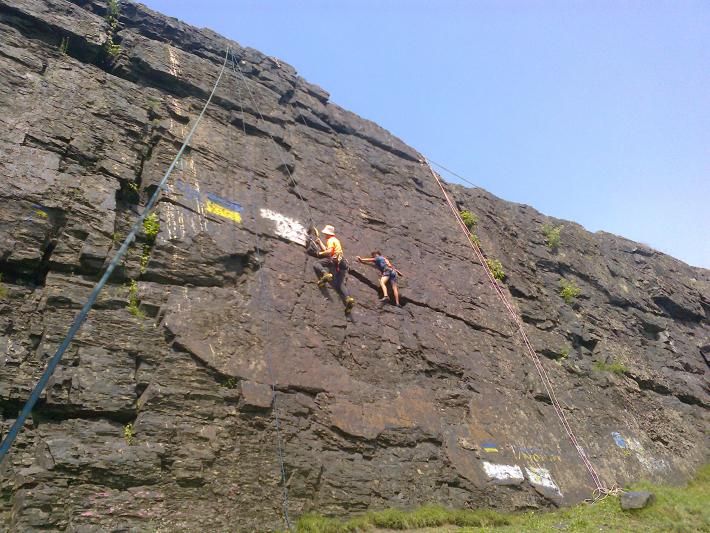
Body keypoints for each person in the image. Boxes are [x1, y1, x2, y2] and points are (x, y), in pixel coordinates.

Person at [313, 225, 355, 313]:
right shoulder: (335, 240)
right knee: (340, 284)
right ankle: (348, 299)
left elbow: (329, 252)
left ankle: (325, 274)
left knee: (317, 263)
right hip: (342, 262)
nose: (324, 235)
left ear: (328, 233)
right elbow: (328, 250)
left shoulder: (331, 240)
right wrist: (320, 243)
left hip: (335, 259)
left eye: (325, 233)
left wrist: (319, 254)